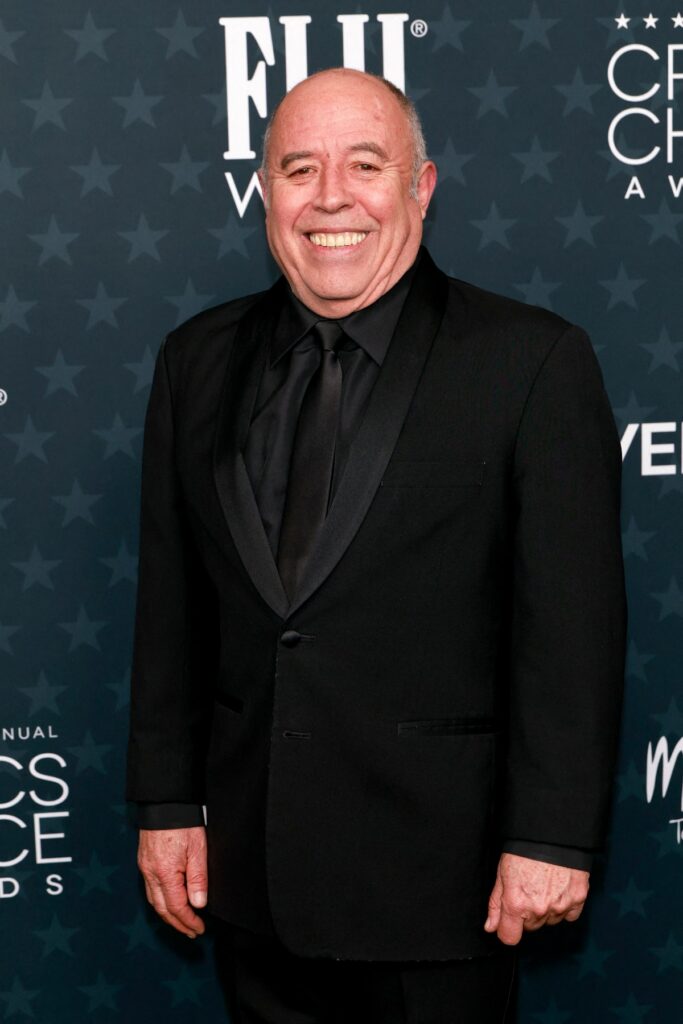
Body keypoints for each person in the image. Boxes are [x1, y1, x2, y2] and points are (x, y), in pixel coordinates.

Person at [126, 68, 627, 1023]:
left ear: (420, 187)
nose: (330, 199)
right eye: (298, 169)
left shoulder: (530, 360)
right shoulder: (194, 360)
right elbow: (172, 607)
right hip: (251, 878)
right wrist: (166, 804)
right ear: (264, 191)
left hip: (443, 884)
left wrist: (551, 837)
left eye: (365, 165)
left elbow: (571, 626)